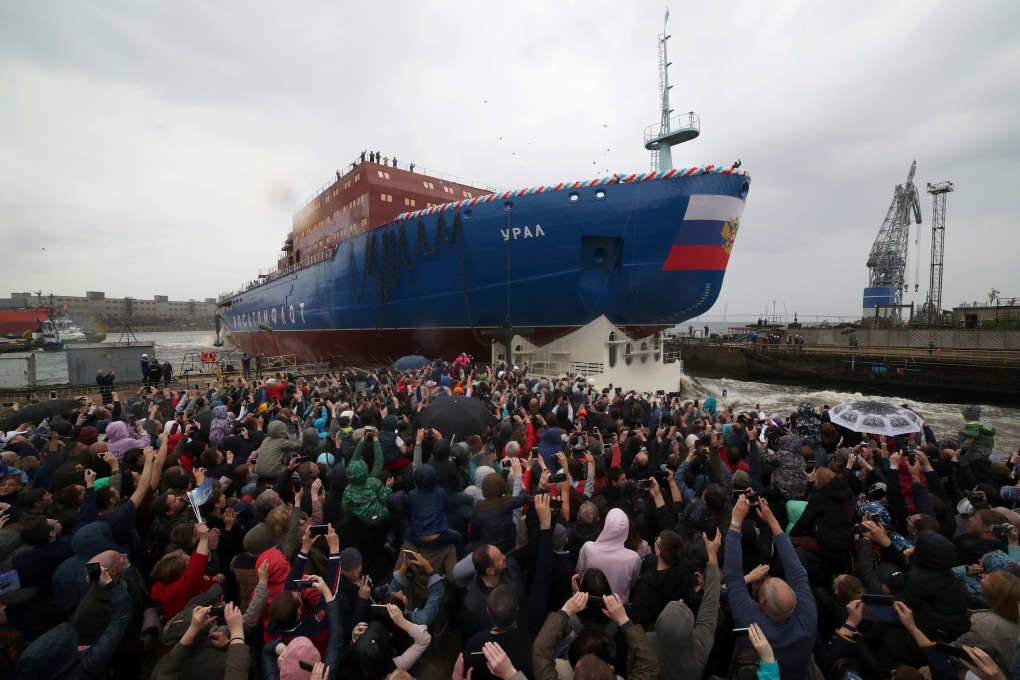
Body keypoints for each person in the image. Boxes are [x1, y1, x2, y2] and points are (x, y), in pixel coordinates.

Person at [724, 494, 816, 680]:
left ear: (762, 599)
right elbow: (796, 571)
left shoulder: (749, 619)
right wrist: (772, 521)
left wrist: (735, 523)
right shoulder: (808, 617)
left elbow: (733, 576)